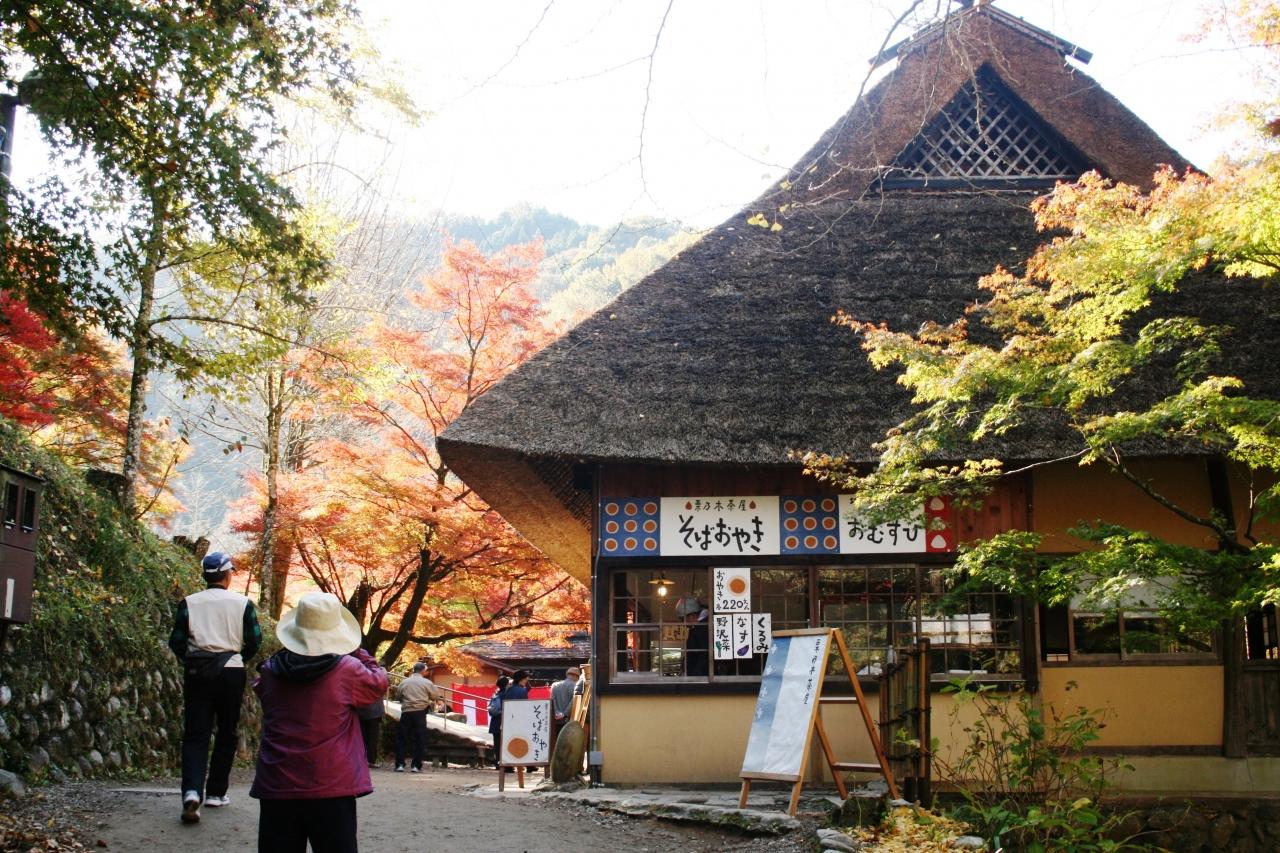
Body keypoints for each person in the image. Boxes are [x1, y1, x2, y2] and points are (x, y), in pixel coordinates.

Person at [251, 591, 388, 853]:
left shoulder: (269, 671)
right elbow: (378, 682)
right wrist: (358, 651)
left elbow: (261, 689)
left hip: (277, 782)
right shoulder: (348, 670)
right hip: (331, 784)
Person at [168, 551, 262, 824]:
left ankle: (191, 791)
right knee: (227, 731)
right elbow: (254, 640)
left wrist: (192, 659)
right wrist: (238, 658)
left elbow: (176, 641)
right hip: (231, 671)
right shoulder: (243, 604)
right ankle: (216, 793)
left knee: (196, 733)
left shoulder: (189, 603)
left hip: (197, 671)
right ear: (227, 575)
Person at [393, 662, 441, 773]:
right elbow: (435, 695)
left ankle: (399, 764)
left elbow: (398, 696)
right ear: (423, 671)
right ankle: (416, 765)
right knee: (419, 739)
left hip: (406, 712)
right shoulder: (427, 682)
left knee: (402, 738)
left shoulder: (404, 682)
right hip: (420, 712)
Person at [548, 666, 581, 755]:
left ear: (567, 674)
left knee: (556, 743)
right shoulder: (576, 686)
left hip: (555, 719)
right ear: (576, 676)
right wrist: (564, 714)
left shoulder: (555, 685)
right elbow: (573, 702)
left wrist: (556, 713)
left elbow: (552, 701)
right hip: (568, 720)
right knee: (567, 744)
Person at [676, 596, 709, 677]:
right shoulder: (698, 628)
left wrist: (695, 678)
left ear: (692, 616)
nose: (683, 623)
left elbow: (704, 656)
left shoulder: (703, 629)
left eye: (683, 619)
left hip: (699, 678)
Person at [487, 675, 510, 769]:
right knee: (505, 744)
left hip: (495, 721)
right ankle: (505, 764)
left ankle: (498, 763)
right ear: (506, 684)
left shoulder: (495, 694)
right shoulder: (507, 694)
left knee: (497, 744)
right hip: (503, 721)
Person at [356, 694, 385, 769]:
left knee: (362, 738)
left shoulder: (361, 686)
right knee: (373, 738)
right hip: (375, 712)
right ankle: (371, 761)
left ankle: (361, 759)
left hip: (361, 711)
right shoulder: (378, 686)